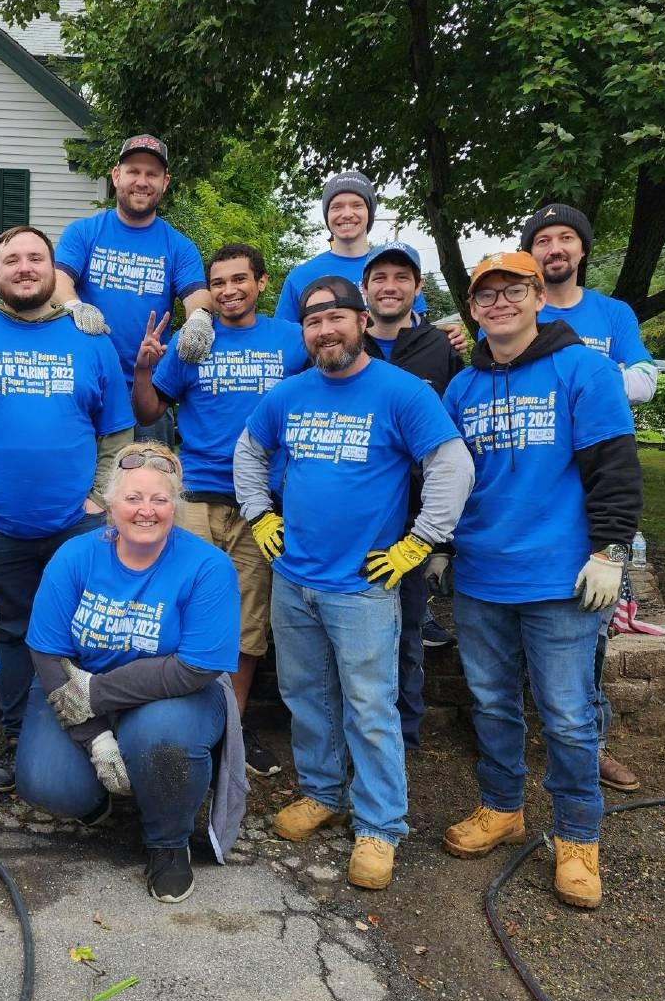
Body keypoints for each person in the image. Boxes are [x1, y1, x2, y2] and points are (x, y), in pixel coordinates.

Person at [234, 276, 471, 891]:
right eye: (313, 322)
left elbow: (451, 463)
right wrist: (259, 513)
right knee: (306, 696)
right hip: (293, 577)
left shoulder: (401, 392)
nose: (324, 331)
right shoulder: (288, 395)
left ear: (362, 321)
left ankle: (380, 825)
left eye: (336, 317)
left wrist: (421, 542)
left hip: (363, 585)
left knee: (369, 707)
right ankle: (322, 793)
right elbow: (249, 452)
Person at [439, 252, 641, 910]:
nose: (500, 301)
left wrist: (611, 549)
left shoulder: (581, 368)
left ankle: (579, 835)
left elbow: (614, 465)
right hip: (479, 575)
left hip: (561, 578)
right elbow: (448, 478)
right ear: (473, 309)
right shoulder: (462, 388)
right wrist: (439, 544)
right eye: (486, 293)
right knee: (492, 704)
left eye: (513, 289)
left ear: (537, 297)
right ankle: (501, 806)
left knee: (568, 716)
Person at [0, 225, 133, 795]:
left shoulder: (91, 340)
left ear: (52, 268)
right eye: (10, 259)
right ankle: (18, 739)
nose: (23, 267)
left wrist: (99, 497)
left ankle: (91, 734)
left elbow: (117, 430)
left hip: (81, 525)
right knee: (10, 636)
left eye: (35, 257)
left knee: (84, 632)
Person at [17, 442, 245, 904]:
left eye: (160, 500)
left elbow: (197, 665)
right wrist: (95, 737)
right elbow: (45, 652)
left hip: (173, 697)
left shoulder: (207, 566)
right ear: (110, 504)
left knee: (162, 737)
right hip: (73, 685)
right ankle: (99, 796)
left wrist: (97, 693)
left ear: (175, 505)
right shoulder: (75, 556)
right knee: (45, 781)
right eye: (133, 498)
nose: (146, 511)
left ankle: (167, 840)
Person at [130, 242, 307, 777]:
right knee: (183, 614)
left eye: (240, 279)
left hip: (263, 506)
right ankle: (181, 722)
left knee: (247, 625)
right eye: (219, 282)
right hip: (196, 499)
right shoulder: (193, 339)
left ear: (261, 282)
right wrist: (143, 370)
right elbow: (150, 408)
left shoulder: (291, 341)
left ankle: (230, 727)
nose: (229, 291)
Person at [521, 202, 657, 793]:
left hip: (595, 491)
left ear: (581, 250)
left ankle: (593, 743)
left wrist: (583, 375)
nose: (555, 248)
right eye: (543, 239)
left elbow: (646, 381)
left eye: (565, 239)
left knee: (592, 634)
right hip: (529, 494)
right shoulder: (515, 303)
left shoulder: (612, 313)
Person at [359, 243, 466, 748]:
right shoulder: (345, 342)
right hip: (355, 514)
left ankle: (404, 733)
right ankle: (355, 730)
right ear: (365, 289)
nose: (389, 286)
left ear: (417, 289)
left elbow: (455, 438)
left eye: (401, 277)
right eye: (378, 277)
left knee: (406, 627)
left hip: (412, 518)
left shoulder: (440, 348)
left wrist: (440, 537)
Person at [54, 135, 214, 439]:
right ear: (116, 176)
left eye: (152, 174)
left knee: (152, 483)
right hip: (88, 385)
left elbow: (197, 295)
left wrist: (199, 319)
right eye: (133, 172)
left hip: (149, 392)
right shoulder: (84, 233)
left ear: (165, 182)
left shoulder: (178, 246)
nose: (142, 181)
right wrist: (75, 305)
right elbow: (59, 281)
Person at [273, 170, 429, 322]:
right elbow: (285, 340)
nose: (347, 213)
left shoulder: (398, 271)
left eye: (357, 205)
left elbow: (419, 330)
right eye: (337, 207)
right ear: (327, 215)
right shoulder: (300, 276)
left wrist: (449, 336)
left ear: (369, 213)